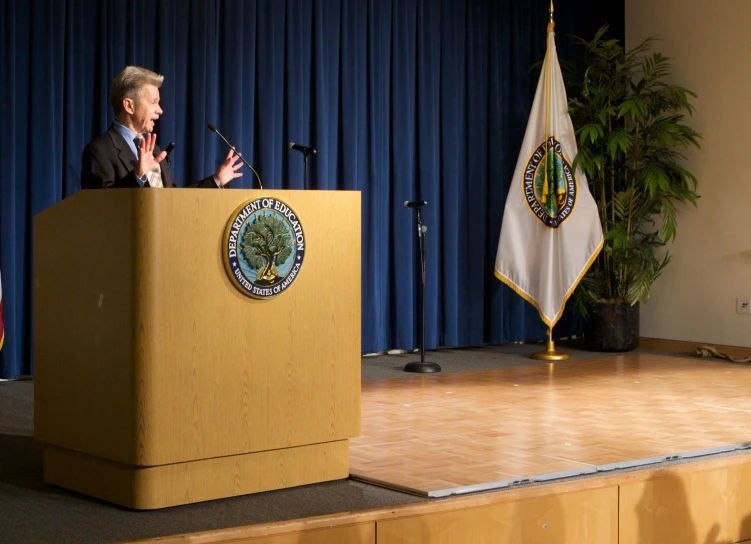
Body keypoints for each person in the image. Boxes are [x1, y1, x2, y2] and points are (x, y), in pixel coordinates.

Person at [81, 66, 242, 189]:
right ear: (129, 106)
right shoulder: (99, 151)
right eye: (153, 102)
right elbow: (100, 209)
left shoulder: (155, 151)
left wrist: (216, 181)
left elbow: (173, 201)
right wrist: (137, 176)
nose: (160, 110)